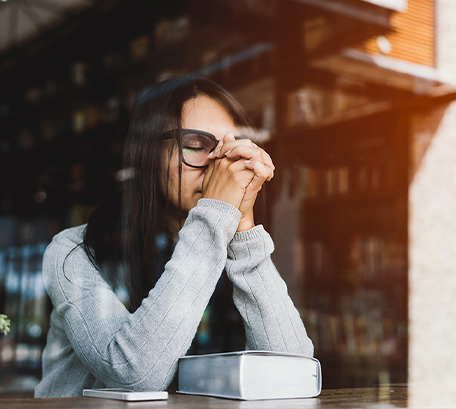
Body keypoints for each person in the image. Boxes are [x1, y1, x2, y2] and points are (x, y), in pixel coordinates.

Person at [34, 76, 313, 398]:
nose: (220, 167)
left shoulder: (224, 244)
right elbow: (134, 375)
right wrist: (217, 213)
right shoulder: (73, 252)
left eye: (231, 151)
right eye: (195, 145)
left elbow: (296, 374)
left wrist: (244, 233)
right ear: (149, 156)